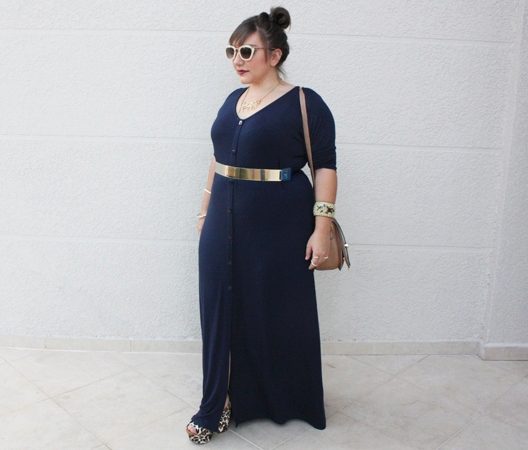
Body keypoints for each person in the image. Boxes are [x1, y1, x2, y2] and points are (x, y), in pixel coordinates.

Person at [186, 6, 338, 445]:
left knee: (277, 310)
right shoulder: (231, 101)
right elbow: (218, 160)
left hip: (281, 224)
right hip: (222, 218)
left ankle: (284, 397)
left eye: (247, 50)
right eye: (232, 51)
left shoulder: (306, 102)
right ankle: (217, 401)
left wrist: (322, 228)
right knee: (218, 308)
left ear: (274, 55)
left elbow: (325, 167)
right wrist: (204, 211)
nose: (237, 59)